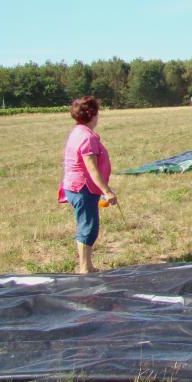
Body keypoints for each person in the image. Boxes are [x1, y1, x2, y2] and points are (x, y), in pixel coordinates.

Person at [59, 96, 117, 273]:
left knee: (86, 224)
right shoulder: (86, 137)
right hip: (82, 188)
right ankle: (85, 267)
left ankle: (87, 265)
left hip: (76, 186)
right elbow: (91, 169)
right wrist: (107, 191)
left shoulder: (78, 131)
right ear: (92, 115)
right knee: (88, 227)